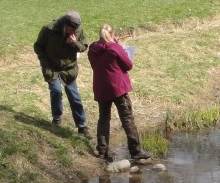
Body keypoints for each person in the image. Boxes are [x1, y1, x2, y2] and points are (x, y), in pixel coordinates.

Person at [87, 23, 152, 161]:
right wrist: (117, 46)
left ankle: (102, 151)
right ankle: (135, 150)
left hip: (101, 87)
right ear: (112, 34)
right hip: (118, 88)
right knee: (127, 118)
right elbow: (128, 65)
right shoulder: (115, 48)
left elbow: (96, 64)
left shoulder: (92, 49)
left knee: (103, 119)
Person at [34, 11, 92, 138]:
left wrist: (74, 43)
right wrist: (45, 63)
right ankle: (57, 118)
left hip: (69, 69)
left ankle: (82, 126)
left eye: (77, 28)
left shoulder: (77, 30)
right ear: (65, 24)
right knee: (55, 91)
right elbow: (38, 46)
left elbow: (84, 47)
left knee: (74, 96)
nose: (75, 30)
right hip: (51, 68)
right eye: (73, 28)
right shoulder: (48, 29)